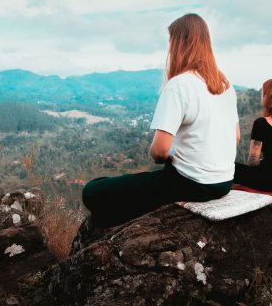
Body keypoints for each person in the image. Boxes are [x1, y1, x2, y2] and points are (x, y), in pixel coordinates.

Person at [82, 13, 239, 227]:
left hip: (190, 183)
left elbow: (159, 152)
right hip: (224, 183)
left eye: (170, 42)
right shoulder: (225, 86)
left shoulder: (179, 85)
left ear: (179, 45)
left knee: (93, 190)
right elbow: (236, 137)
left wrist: (173, 153)